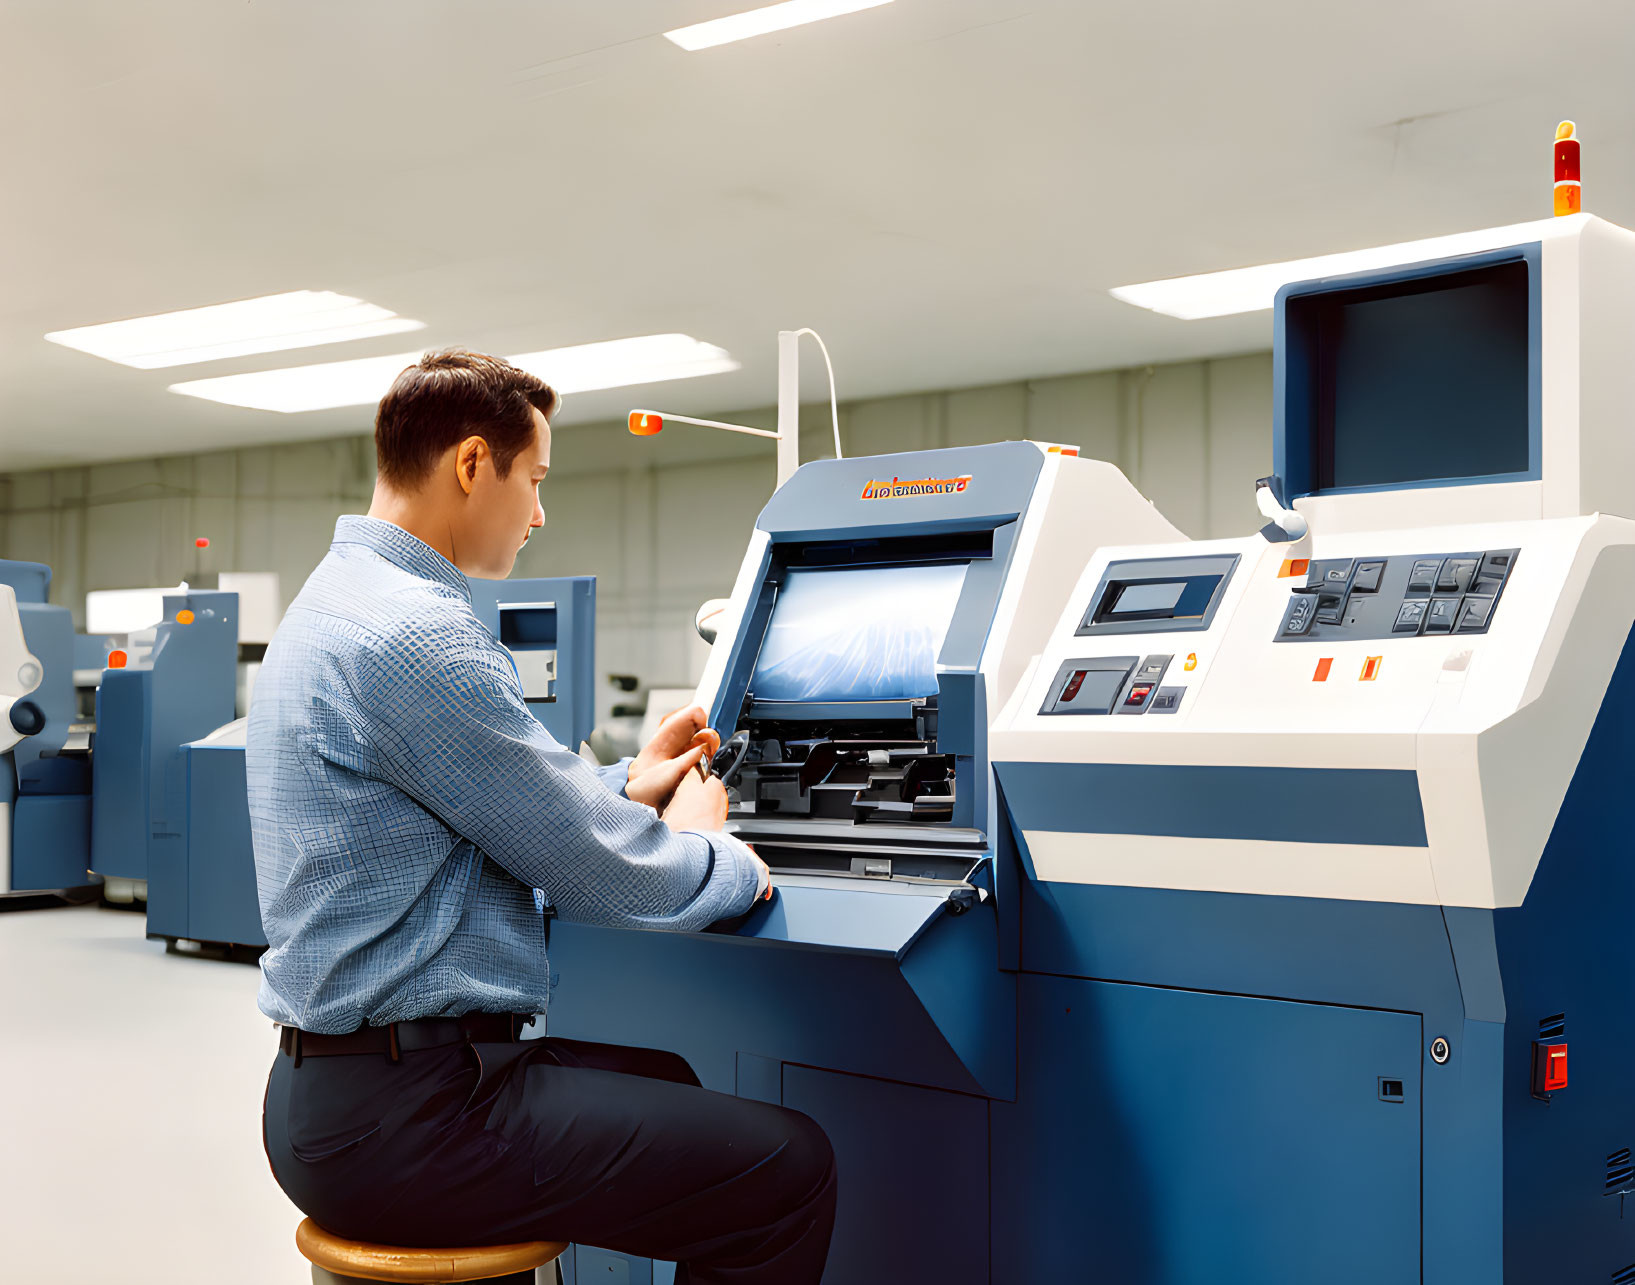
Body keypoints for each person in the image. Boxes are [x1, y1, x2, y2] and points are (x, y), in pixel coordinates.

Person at [250, 349, 837, 1284]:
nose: (538, 512)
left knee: (666, 1085)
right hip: (416, 1119)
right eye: (535, 479)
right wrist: (721, 852)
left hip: (326, 1095)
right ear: (473, 463)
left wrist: (630, 782)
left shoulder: (333, 605)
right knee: (786, 1166)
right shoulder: (418, 635)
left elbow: (492, 802)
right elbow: (604, 873)